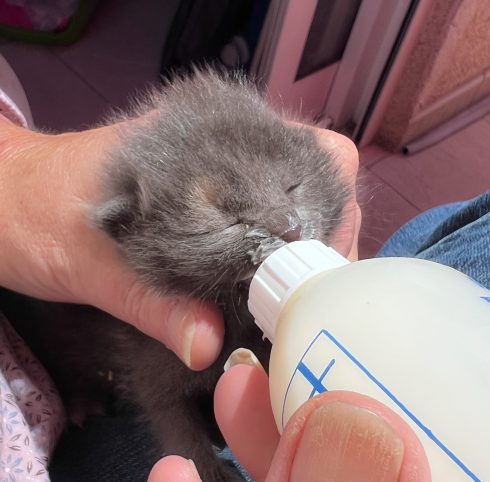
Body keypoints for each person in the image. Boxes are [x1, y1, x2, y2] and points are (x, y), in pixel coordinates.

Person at [4, 57, 487, 481]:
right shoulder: (158, 321)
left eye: (295, 187)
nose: (288, 227)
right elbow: (163, 397)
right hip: (80, 404)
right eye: (226, 219)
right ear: (131, 229)